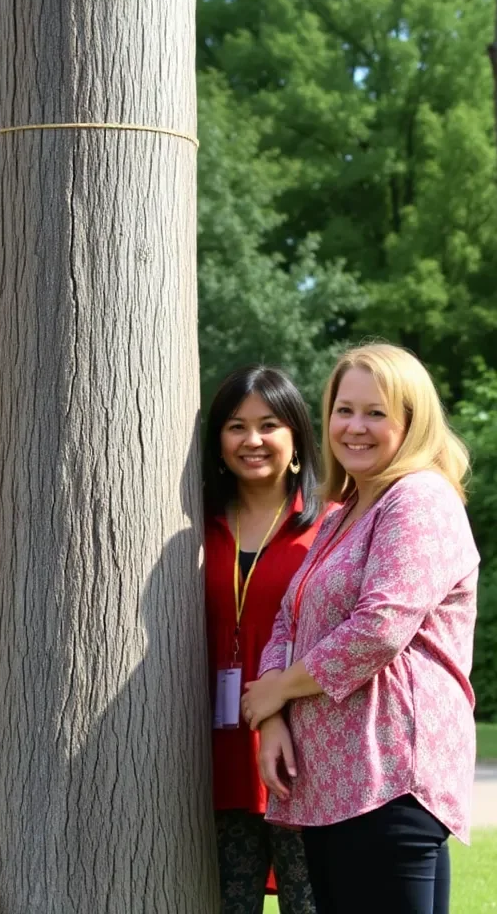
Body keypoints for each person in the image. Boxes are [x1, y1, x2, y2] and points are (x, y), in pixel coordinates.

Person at [241, 343, 479, 914]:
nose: (355, 427)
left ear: (411, 421)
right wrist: (270, 714)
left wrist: (278, 687)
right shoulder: (346, 511)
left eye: (376, 413)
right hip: (331, 785)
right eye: (344, 410)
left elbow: (378, 627)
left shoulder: (420, 499)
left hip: (388, 775)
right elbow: (288, 616)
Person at [203, 365, 329, 914]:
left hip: (300, 760)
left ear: (296, 438)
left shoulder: (332, 527)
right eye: (236, 426)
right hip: (209, 757)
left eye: (269, 424)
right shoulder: (186, 523)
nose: (252, 440)